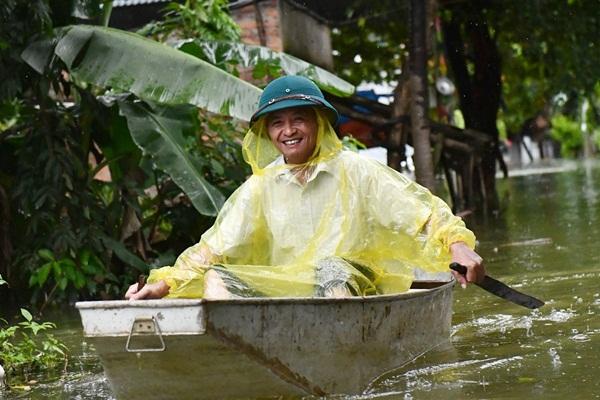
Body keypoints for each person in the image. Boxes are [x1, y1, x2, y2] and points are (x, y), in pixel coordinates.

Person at [125, 75, 484, 300]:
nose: (288, 131)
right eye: (277, 123)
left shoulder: (357, 171)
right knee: (219, 278)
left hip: (352, 285)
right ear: (267, 133)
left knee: (331, 271)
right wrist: (163, 284)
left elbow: (422, 215)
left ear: (318, 124)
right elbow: (212, 250)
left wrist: (459, 247)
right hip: (287, 294)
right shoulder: (260, 187)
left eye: (299, 118)